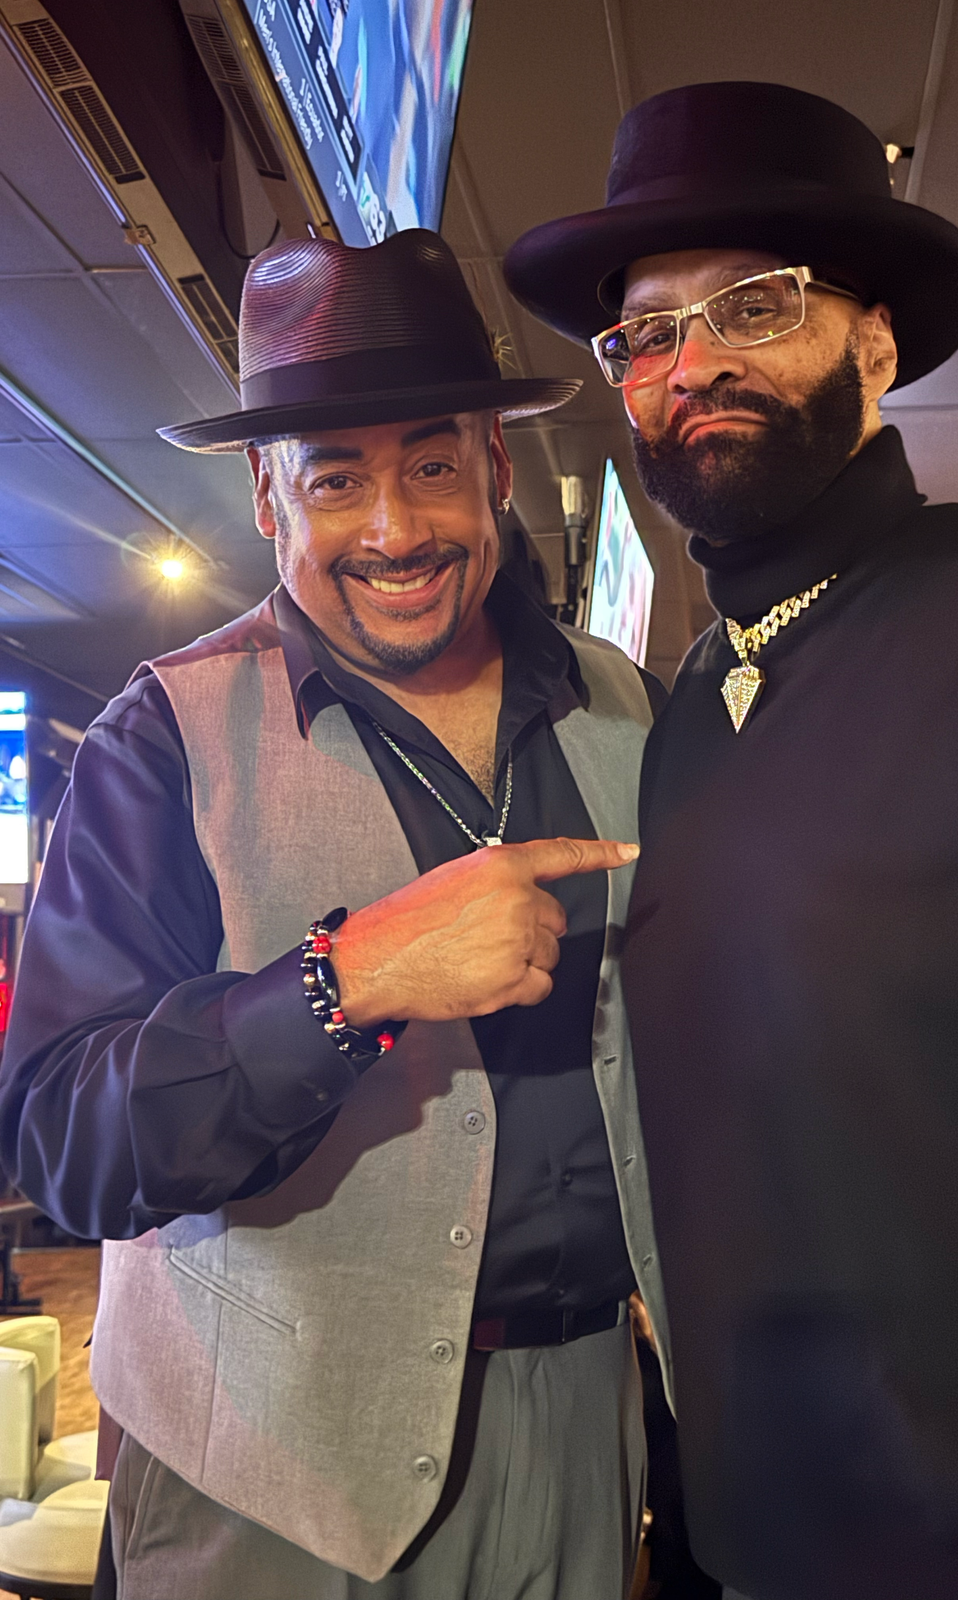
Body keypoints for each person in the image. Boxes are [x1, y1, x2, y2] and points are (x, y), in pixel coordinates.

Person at [504, 80, 958, 1600]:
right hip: (762, 1536)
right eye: (647, 334)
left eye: (755, 307)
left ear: (872, 343)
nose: (696, 362)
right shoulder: (694, 704)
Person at [0, 229, 670, 1600]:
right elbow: (63, 1136)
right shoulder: (162, 738)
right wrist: (343, 981)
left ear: (494, 465)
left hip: (584, 1423)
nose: (395, 530)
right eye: (336, 478)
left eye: (431, 465)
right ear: (268, 495)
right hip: (274, 1473)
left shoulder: (626, 704)